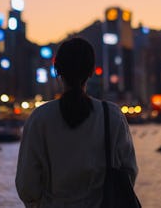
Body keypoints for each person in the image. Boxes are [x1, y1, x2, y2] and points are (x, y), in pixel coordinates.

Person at [15, 37, 138, 207]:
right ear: (91, 72)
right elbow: (129, 172)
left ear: (58, 71)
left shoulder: (39, 118)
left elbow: (27, 186)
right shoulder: (111, 115)